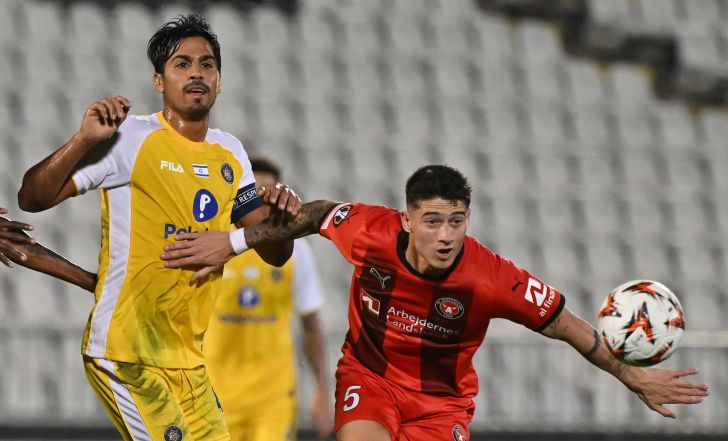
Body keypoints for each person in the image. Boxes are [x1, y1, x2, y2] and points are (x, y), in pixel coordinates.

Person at [160, 165, 709, 441]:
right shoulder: (370, 232)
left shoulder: (492, 278)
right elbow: (315, 214)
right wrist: (233, 243)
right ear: (406, 219)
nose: (445, 235)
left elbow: (567, 325)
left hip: (441, 404)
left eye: (456, 221)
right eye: (432, 221)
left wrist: (632, 377)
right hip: (369, 378)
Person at [15, 14, 300, 441]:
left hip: (190, 363)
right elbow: (32, 198)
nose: (197, 73)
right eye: (182, 64)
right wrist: (83, 140)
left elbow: (275, 254)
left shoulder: (231, 152)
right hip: (126, 352)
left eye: (207, 64)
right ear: (159, 82)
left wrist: (281, 221)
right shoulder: (130, 137)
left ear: (219, 82)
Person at [204, 157, 331, 441]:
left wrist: (321, 390)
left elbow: (311, 323)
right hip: (214, 393)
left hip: (273, 397)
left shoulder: (297, 252)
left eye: (268, 195)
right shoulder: (215, 244)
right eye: (253, 195)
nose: (261, 206)